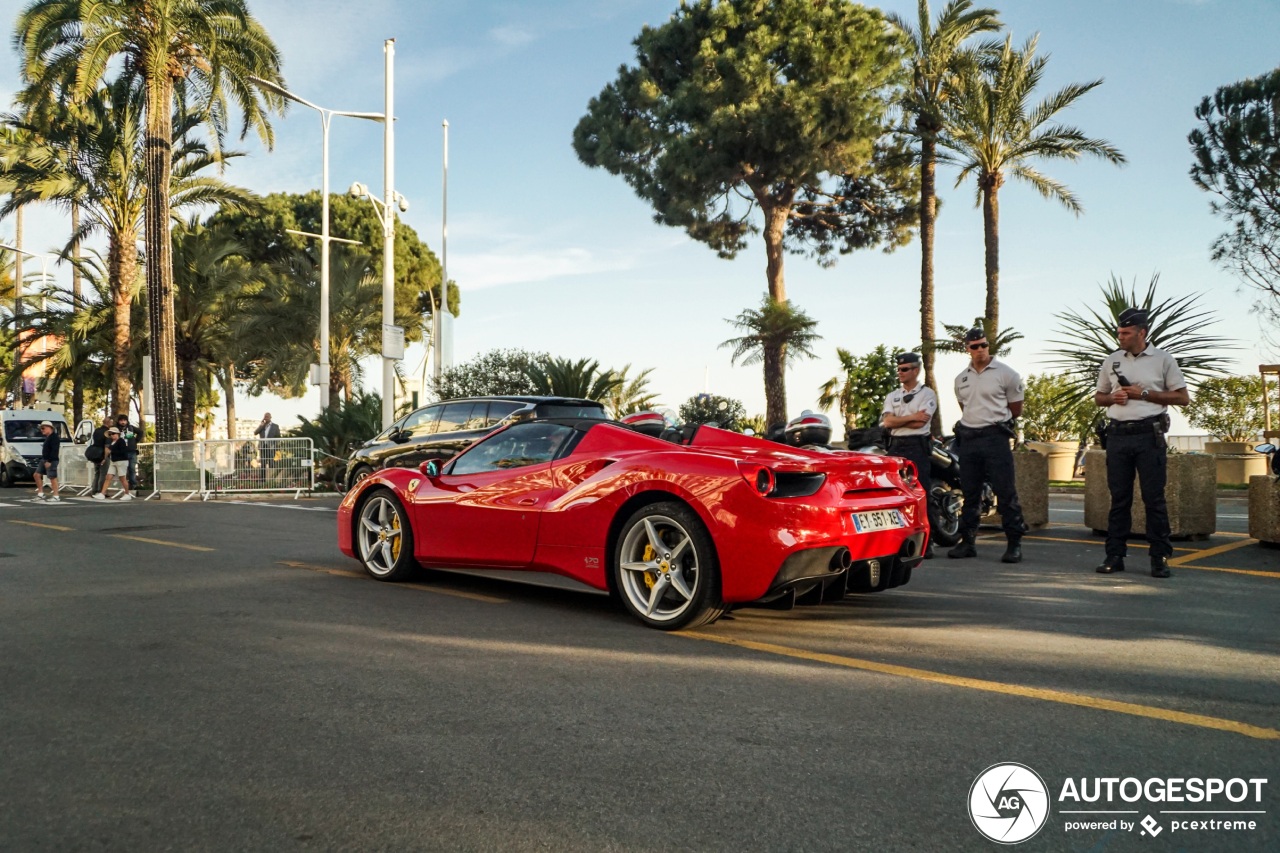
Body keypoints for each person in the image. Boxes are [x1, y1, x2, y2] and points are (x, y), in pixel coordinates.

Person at [1093, 307, 1190, 578]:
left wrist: (1143, 393)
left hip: (1149, 436)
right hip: (1118, 435)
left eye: (1125, 333)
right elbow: (1099, 397)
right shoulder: (1111, 360)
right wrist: (1113, 398)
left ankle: (1159, 556)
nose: (1120, 337)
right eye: (1118, 332)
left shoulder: (1163, 359)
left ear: (1141, 332)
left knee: (1154, 498)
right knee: (1119, 498)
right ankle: (1114, 554)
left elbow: (1182, 398)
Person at [949, 327, 1028, 563]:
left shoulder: (1007, 374)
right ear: (967, 349)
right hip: (970, 439)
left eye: (983, 345)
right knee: (970, 493)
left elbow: (1016, 409)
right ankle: (968, 542)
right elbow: (966, 408)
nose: (980, 350)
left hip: (995, 438)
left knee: (1005, 492)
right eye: (975, 346)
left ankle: (1014, 543)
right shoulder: (960, 379)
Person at [880, 352, 939, 558]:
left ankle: (927, 542)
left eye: (905, 369)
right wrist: (912, 416)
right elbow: (887, 422)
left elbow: (921, 423)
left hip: (917, 445)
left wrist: (900, 419)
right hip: (896, 445)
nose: (900, 373)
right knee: (894, 494)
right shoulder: (892, 395)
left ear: (916, 370)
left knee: (921, 493)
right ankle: (897, 541)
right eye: (899, 369)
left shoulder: (927, 394)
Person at [93, 427, 134, 501]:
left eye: (113, 433)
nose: (112, 435)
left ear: (118, 434)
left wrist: (112, 451)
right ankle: (102, 493)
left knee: (122, 478)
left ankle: (127, 493)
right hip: (113, 461)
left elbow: (122, 451)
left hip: (121, 461)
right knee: (108, 477)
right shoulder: (112, 442)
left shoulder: (121, 441)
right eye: (110, 434)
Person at [33, 420, 61, 503]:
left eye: (43, 428)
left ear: (50, 428)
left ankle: (56, 496)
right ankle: (40, 493)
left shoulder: (54, 437)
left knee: (52, 477)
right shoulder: (48, 437)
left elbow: (54, 450)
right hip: (44, 459)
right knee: (36, 475)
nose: (42, 430)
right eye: (41, 429)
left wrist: (49, 461)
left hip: (51, 460)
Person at [115, 413, 141, 491]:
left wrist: (135, 441)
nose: (123, 422)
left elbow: (140, 432)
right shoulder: (116, 429)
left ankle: (133, 484)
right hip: (122, 452)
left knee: (132, 469)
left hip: (132, 451)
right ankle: (124, 485)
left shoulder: (130, 428)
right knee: (123, 469)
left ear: (127, 421)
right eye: (121, 421)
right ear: (118, 421)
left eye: (124, 420)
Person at [89, 414, 113, 493]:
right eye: (111, 423)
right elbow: (106, 447)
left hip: (95, 454)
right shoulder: (107, 433)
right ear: (108, 423)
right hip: (103, 454)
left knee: (97, 473)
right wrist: (105, 458)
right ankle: (101, 491)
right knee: (103, 473)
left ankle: (94, 490)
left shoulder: (97, 431)